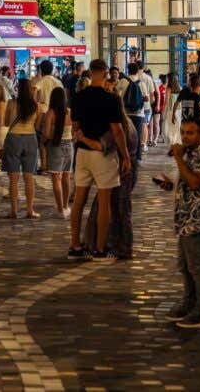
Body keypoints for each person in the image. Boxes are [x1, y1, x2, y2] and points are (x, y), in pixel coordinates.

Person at [155, 118, 200, 329]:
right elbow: (187, 182)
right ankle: (189, 302)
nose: (185, 137)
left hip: (197, 220)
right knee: (184, 265)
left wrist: (178, 159)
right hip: (185, 219)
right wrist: (170, 184)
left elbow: (195, 182)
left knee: (197, 267)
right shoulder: (190, 155)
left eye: (190, 132)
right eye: (183, 132)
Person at [67, 59, 130, 261]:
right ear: (104, 74)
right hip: (103, 155)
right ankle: (100, 249)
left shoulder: (78, 97)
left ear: (90, 72)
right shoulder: (110, 99)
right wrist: (125, 156)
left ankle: (75, 245)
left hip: (82, 152)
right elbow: (117, 131)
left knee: (79, 201)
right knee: (104, 202)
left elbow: (75, 126)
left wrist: (82, 137)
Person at [0, 79, 41, 219]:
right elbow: (37, 125)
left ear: (18, 88)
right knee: (29, 177)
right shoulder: (35, 105)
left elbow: (6, 122)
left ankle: (13, 211)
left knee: (13, 178)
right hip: (30, 139)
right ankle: (30, 210)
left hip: (13, 138)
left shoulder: (11, 103)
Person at [42, 87, 73, 216]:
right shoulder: (70, 112)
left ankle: (60, 209)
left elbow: (46, 134)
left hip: (55, 146)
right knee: (66, 177)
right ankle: (65, 206)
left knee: (56, 178)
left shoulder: (50, 113)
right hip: (69, 146)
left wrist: (43, 142)